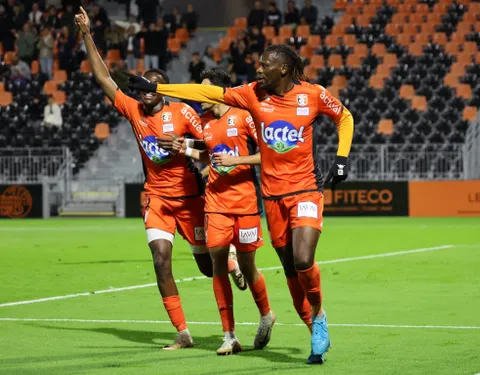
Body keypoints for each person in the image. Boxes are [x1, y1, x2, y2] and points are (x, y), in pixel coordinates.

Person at [126, 44, 354, 364]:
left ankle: (317, 318)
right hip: (272, 196)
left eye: (264, 65)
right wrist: (156, 88)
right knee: (290, 267)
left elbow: (344, 116)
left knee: (303, 260)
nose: (258, 70)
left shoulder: (313, 94)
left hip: (305, 189)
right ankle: (310, 322)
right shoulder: (250, 94)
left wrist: (342, 158)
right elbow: (201, 92)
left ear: (284, 70)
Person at [74, 6, 246, 350]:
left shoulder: (182, 112)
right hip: (157, 200)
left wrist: (184, 145)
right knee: (160, 260)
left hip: (190, 199)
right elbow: (104, 78)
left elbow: (210, 145)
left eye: (152, 86)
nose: (145, 91)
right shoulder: (133, 110)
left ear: (164, 89)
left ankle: (232, 262)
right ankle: (183, 333)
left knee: (205, 266)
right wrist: (87, 35)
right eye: (142, 87)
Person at [167, 68, 275, 355]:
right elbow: (208, 154)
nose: (199, 98)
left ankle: (266, 314)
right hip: (215, 203)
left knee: (248, 265)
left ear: (218, 91)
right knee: (217, 264)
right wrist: (186, 150)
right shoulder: (203, 123)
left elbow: (269, 152)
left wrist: (236, 159)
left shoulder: (244, 116)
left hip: (246, 203)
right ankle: (229, 335)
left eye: (204, 91)